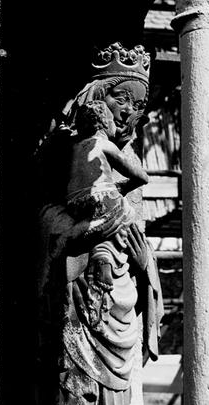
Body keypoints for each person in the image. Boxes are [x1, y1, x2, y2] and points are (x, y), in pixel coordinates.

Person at [36, 42, 163, 405]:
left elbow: (138, 247)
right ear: (99, 99)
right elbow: (56, 227)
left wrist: (146, 276)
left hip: (119, 319)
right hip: (83, 320)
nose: (131, 115)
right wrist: (99, 231)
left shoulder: (113, 169)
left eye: (139, 107)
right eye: (124, 102)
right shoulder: (82, 155)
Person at [66, 100, 148, 295]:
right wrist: (124, 187)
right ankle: (105, 259)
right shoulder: (103, 143)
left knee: (100, 226)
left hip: (74, 206)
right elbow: (140, 176)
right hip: (101, 199)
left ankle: (100, 256)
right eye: (111, 119)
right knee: (124, 215)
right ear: (103, 122)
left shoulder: (74, 146)